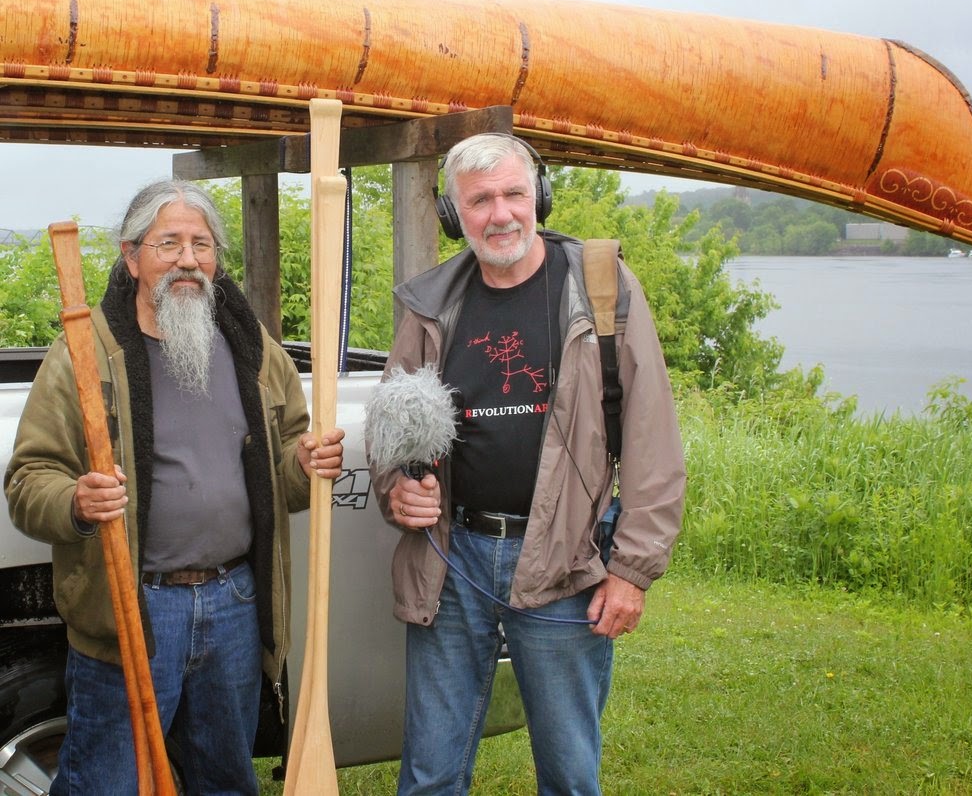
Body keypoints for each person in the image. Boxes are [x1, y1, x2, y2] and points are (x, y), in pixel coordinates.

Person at [369, 133, 686, 795]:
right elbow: (392, 429)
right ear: (456, 215)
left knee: (569, 775)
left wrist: (631, 570)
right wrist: (398, 489)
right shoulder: (431, 305)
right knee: (429, 771)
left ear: (538, 197)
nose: (501, 213)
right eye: (480, 200)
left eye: (514, 193)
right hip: (452, 559)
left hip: (566, 560)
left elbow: (653, 438)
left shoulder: (601, 289)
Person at [4, 179, 345, 795]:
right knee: (109, 781)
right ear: (132, 257)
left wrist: (308, 463)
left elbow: (287, 476)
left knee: (224, 780)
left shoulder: (253, 351)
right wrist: (78, 502)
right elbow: (29, 480)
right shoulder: (86, 353)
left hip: (236, 604)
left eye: (202, 244)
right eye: (169, 243)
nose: (189, 259)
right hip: (133, 608)